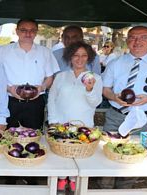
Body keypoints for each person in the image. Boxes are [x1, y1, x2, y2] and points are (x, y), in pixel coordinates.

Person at [102, 26, 147, 189]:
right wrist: (114, 97)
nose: (137, 41)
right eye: (133, 37)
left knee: (134, 158)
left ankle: (124, 190)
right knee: (107, 155)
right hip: (116, 115)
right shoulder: (115, 63)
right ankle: (104, 189)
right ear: (127, 40)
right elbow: (105, 88)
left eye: (143, 37)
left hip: (144, 117)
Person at [48, 41, 102, 191]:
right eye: (76, 55)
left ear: (89, 58)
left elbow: (95, 102)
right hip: (60, 123)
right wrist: (53, 121)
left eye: (84, 55)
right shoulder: (61, 76)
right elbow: (52, 99)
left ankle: (73, 180)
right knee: (60, 154)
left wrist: (90, 89)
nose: (80, 59)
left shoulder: (95, 78)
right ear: (70, 57)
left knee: (79, 155)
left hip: (83, 125)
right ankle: (61, 178)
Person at [0, 18, 60, 130]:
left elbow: (50, 77)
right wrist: (10, 89)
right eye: (23, 30)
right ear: (17, 31)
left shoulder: (45, 52)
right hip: (10, 102)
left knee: (34, 137)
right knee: (10, 137)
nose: (28, 33)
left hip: (36, 103)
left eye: (32, 30)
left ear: (36, 32)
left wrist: (42, 87)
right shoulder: (3, 51)